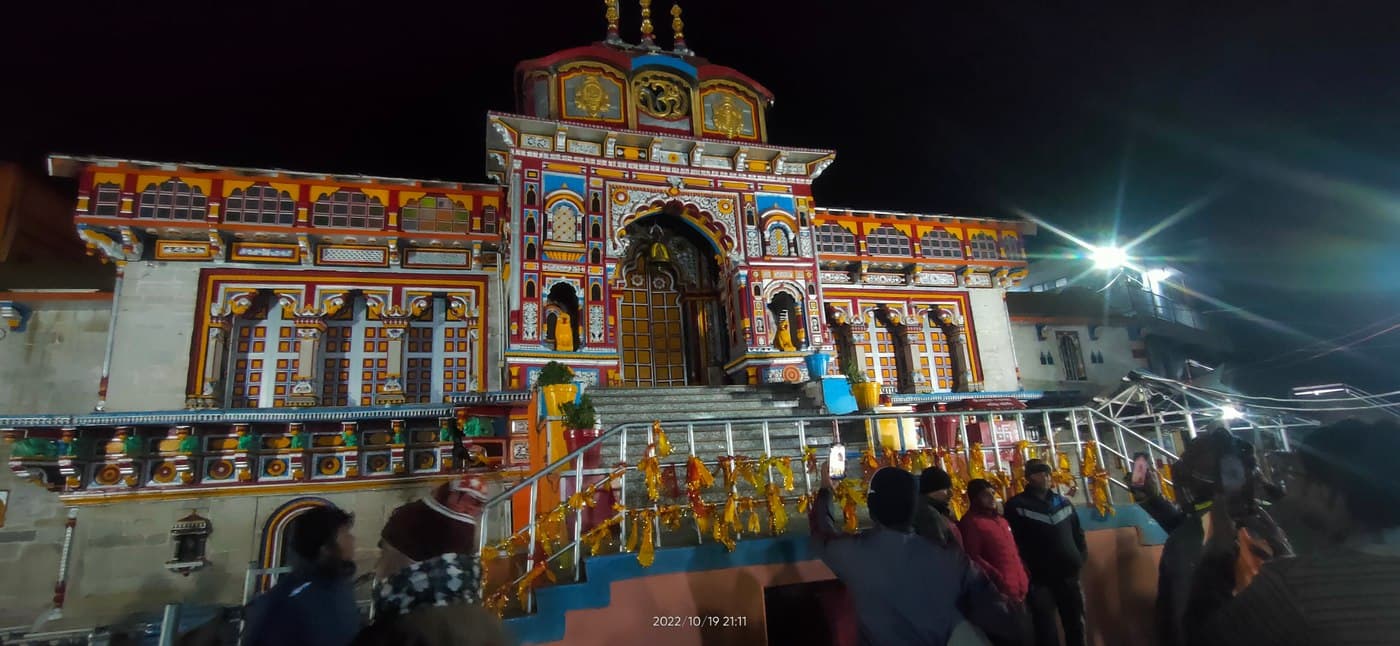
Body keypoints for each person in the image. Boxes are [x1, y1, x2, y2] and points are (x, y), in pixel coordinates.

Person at [1186, 419, 1400, 646]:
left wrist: (1217, 553)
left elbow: (1205, 638)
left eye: (1295, 475)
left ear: (1329, 492)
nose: (1288, 490)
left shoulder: (1296, 586)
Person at [809, 465, 1015, 645]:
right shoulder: (951, 559)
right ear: (913, 507)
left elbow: (822, 532)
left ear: (871, 510)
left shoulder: (852, 554)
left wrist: (826, 491)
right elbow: (999, 616)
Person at [353, 474, 514, 646]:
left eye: (476, 504)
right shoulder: (478, 625)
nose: (470, 509)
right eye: (467, 500)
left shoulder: (399, 627)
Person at [243, 505, 361, 646]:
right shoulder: (298, 597)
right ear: (326, 547)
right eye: (345, 534)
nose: (352, 540)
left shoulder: (338, 586)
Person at [1004, 459, 1087, 646]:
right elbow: (1013, 543)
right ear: (1029, 478)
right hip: (1040, 580)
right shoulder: (1016, 506)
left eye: (1048, 473)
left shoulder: (1063, 502)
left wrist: (1080, 557)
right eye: (1041, 473)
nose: (1047, 477)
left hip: (1069, 575)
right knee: (1045, 629)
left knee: (1076, 625)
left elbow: (1078, 533)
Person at [959, 479, 1029, 602]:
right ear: (975, 498)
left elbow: (1013, 551)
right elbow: (973, 557)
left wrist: (1024, 573)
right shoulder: (972, 523)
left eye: (993, 493)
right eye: (986, 495)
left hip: (1020, 588)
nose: (992, 498)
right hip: (1000, 594)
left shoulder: (1002, 521)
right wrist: (998, 579)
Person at [913, 466, 963, 547]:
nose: (951, 493)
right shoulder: (928, 515)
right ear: (931, 489)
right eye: (945, 488)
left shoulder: (940, 510)